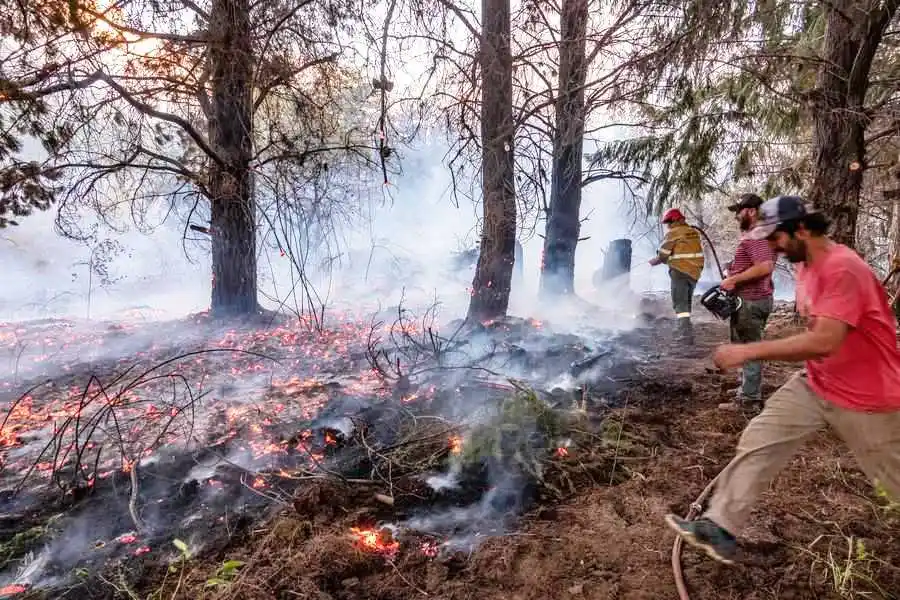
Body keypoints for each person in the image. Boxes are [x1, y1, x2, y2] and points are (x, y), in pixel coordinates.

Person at [665, 195, 900, 565]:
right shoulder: (806, 265)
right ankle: (720, 526)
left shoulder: (842, 269)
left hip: (868, 398)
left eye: (775, 237)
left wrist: (746, 351)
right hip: (818, 383)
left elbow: (825, 341)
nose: (771, 245)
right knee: (761, 438)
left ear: (802, 229)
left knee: (894, 483)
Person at [720, 193, 777, 407]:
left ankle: (749, 399)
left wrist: (733, 279)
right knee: (744, 346)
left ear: (752, 211)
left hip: (751, 301)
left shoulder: (758, 234)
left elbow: (765, 266)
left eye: (739, 211)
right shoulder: (761, 234)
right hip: (752, 299)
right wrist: (732, 268)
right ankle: (746, 387)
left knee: (750, 348)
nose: (737, 216)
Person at [649, 208, 705, 344]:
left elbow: (663, 254)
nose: (668, 225)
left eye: (669, 222)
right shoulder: (693, 232)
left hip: (680, 271)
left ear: (675, 220)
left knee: (679, 304)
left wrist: (654, 261)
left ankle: (685, 334)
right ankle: (684, 328)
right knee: (686, 302)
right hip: (694, 272)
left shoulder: (673, 233)